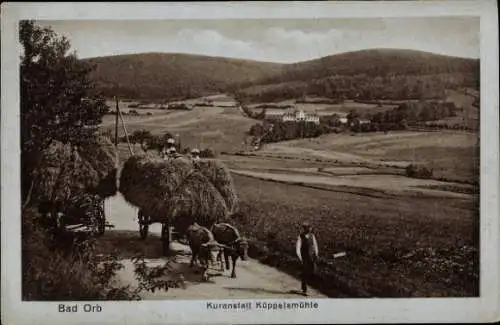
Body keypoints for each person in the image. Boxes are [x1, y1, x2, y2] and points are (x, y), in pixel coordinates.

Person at [296, 222, 319, 296]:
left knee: (312, 271)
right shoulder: (300, 236)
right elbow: (298, 248)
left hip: (311, 257)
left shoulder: (312, 236)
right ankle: (304, 289)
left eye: (309, 227)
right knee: (305, 272)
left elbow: (315, 245)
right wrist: (300, 257)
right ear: (304, 229)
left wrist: (316, 254)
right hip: (304, 257)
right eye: (306, 228)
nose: (309, 229)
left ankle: (308, 286)